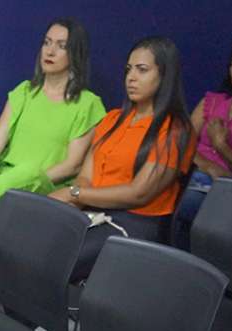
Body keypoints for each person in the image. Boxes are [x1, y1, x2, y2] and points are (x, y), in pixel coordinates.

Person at [0, 18, 105, 281]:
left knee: (29, 170)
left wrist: (31, 178)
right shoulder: (24, 92)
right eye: (47, 43)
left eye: (61, 46)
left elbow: (74, 164)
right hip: (3, 185)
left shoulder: (87, 104)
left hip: (46, 190)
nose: (50, 51)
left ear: (75, 54)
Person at [50, 36, 195, 280]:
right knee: (34, 240)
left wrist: (75, 194)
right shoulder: (113, 119)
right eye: (129, 69)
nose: (131, 77)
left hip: (135, 223)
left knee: (57, 259)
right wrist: (73, 202)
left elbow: (139, 193)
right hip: (93, 209)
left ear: (164, 76)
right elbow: (86, 176)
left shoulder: (175, 129)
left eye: (142, 70)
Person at [173, 36, 232, 249]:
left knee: (180, 200)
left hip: (226, 191)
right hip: (189, 171)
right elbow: (181, 142)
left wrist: (221, 145)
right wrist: (206, 164)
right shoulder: (212, 101)